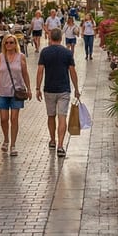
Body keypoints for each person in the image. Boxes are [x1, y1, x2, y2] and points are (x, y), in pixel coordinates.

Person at [35, 27, 79, 158]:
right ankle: (60, 145)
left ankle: (52, 140)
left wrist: (37, 88)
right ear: (61, 38)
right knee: (62, 117)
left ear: (50, 37)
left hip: (49, 89)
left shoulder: (44, 52)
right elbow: (72, 71)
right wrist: (76, 88)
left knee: (50, 116)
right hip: (64, 89)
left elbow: (40, 71)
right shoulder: (67, 53)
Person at [0, 33, 32, 157]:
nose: (9, 45)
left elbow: (25, 74)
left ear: (15, 44)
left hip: (17, 92)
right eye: (6, 42)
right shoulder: (0, 57)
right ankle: (6, 139)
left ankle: (13, 144)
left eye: (11, 42)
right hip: (3, 92)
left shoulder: (21, 57)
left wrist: (29, 89)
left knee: (14, 118)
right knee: (4, 119)